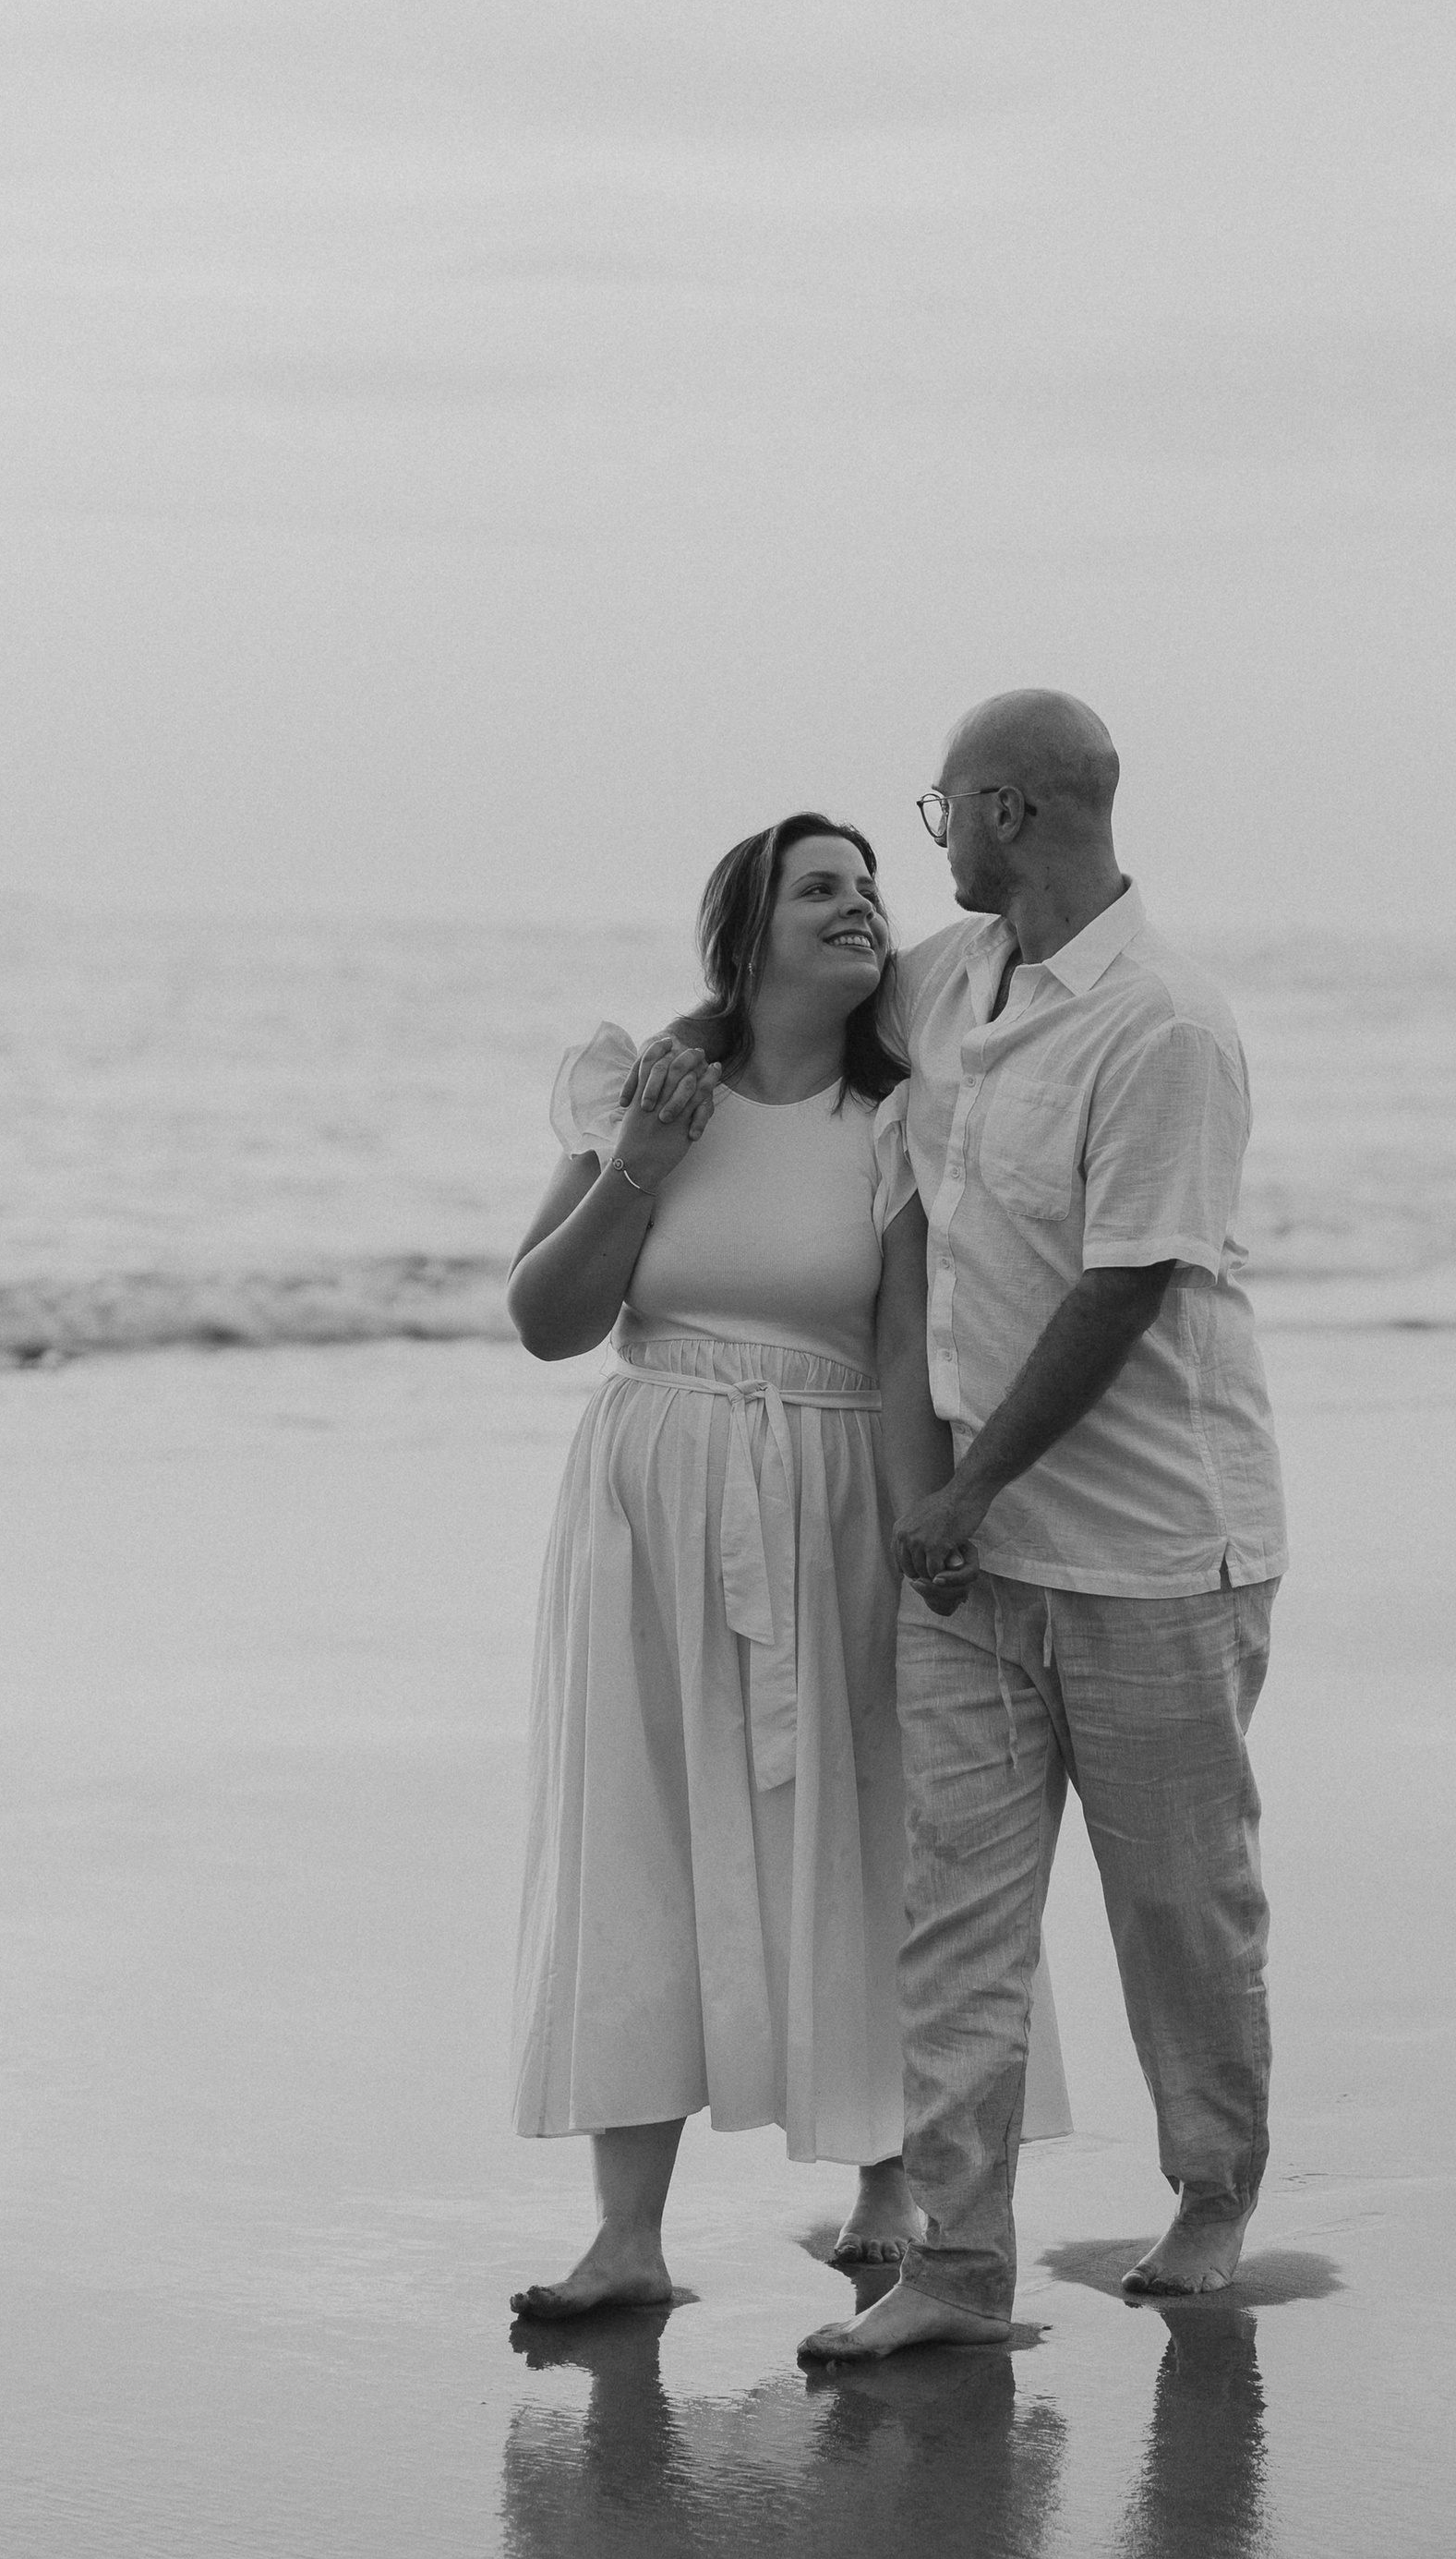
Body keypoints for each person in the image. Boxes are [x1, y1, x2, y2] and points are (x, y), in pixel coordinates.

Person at [506, 811, 1069, 2319]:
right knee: (644, 1827)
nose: (864, 906)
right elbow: (546, 1319)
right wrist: (637, 1161)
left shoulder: (897, 1122)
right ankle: (627, 2234)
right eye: (824, 886)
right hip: (651, 1500)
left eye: (874, 886)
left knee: (872, 1816)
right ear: (745, 932)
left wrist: (925, 1531)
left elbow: (898, 1351)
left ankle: (889, 2182)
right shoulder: (639, 1086)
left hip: (831, 1495)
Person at [800, 691, 1289, 2367]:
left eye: (937, 814)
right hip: (975, 1557)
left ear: (1004, 808)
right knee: (957, 1913)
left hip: (1154, 1550)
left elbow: (1129, 1282)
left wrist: (972, 1480)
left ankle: (1214, 2192)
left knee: (1178, 1907)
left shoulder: (1165, 1024)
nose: (934, 845)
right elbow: (803, 1009)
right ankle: (955, 2263)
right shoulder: (953, 979)